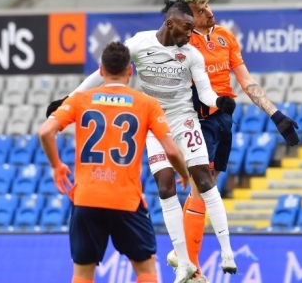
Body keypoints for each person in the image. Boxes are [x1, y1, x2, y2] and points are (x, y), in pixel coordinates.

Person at [51, 0, 239, 277]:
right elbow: (102, 72)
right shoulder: (140, 44)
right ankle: (184, 262)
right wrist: (69, 98)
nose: (191, 34)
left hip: (184, 120)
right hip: (155, 123)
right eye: (187, 28)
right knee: (165, 186)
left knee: (204, 178)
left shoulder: (192, 54)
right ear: (170, 24)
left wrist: (219, 102)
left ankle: (227, 252)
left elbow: (206, 92)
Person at [166, 0, 301, 281]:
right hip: (198, 117)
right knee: (201, 188)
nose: (209, 12)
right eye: (201, 9)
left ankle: (181, 255)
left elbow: (246, 80)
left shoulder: (226, 37)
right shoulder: (183, 43)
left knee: (206, 187)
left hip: (224, 119)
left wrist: (276, 115)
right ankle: (192, 267)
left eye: (208, 6)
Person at [39, 41, 194, 283]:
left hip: (86, 199)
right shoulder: (146, 104)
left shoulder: (81, 100)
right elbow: (172, 151)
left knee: (82, 274)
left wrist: (56, 166)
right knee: (145, 270)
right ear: (130, 71)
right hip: (126, 200)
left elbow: (46, 131)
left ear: (101, 70)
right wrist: (183, 173)